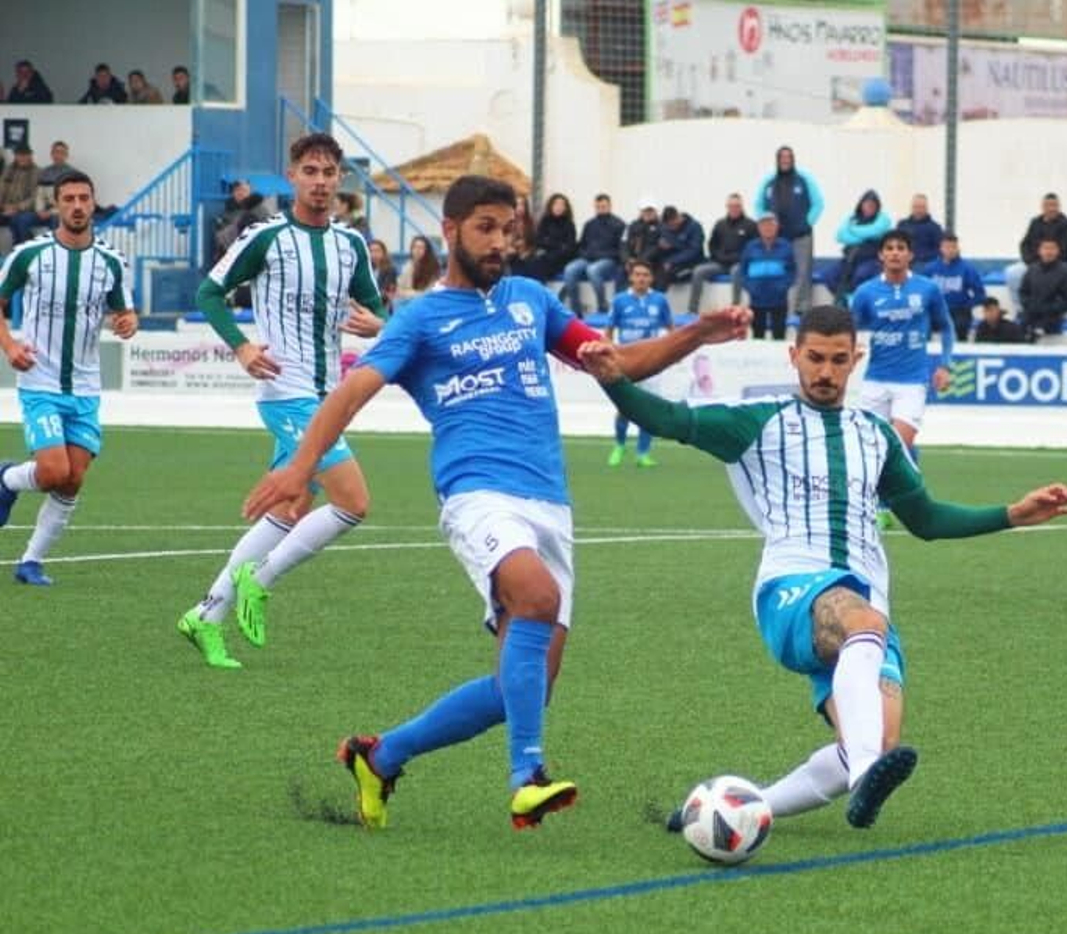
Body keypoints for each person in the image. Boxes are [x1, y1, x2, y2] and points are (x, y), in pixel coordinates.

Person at [240, 174, 750, 830]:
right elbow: (350, 393)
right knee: (535, 597)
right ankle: (526, 777)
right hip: (476, 493)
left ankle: (380, 756)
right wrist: (300, 466)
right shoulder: (419, 320)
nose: (500, 243)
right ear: (450, 230)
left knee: (524, 686)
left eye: (508, 230)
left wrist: (698, 332)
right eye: (485, 228)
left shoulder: (531, 300)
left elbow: (617, 362)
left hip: (550, 503)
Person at [582, 305, 1067, 833]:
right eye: (815, 358)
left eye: (838, 360)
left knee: (874, 740)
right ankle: (868, 772)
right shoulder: (758, 422)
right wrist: (614, 381)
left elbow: (926, 519)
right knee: (865, 660)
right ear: (793, 355)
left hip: (869, 608)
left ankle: (736, 812)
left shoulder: (878, 435)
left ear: (856, 360)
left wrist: (1012, 514)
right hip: (794, 589)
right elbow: (667, 420)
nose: (825, 371)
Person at [176, 132, 387, 670]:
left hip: (327, 396)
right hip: (285, 391)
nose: (320, 181)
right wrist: (242, 346)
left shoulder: (351, 245)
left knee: (290, 510)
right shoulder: (266, 237)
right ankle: (261, 579)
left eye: (328, 172)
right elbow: (208, 293)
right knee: (353, 502)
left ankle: (205, 616)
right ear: (292, 176)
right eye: (309, 171)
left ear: (340, 179)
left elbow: (375, 307)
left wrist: (379, 323)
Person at [0, 170, 138, 585]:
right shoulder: (29, 255)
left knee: (73, 479)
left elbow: (124, 312)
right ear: (57, 205)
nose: (77, 206)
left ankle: (31, 562)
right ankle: (7, 479)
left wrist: (128, 322)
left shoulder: (112, 262)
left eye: (83, 198)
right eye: (69, 199)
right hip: (40, 381)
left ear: (93, 203)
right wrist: (9, 346)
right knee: (53, 471)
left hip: (86, 387)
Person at [849, 229, 954, 471]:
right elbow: (850, 332)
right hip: (873, 380)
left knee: (896, 446)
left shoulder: (927, 289)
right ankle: (909, 476)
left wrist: (945, 365)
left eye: (900, 248)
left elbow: (946, 327)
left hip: (912, 382)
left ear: (910, 255)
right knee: (868, 450)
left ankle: (903, 482)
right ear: (881, 255)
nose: (895, 253)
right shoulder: (865, 292)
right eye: (889, 248)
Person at [607, 260, 674, 468]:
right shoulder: (620, 300)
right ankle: (619, 445)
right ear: (631, 277)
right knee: (624, 408)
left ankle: (642, 453)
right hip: (626, 362)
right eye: (637, 274)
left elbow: (671, 328)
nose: (641, 279)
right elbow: (609, 330)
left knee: (648, 409)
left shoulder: (660, 300)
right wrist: (608, 353)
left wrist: (672, 351)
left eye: (645, 275)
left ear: (651, 278)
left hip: (651, 361)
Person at [753, 146, 824, 315]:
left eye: (788, 157)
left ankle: (801, 309)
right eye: (782, 157)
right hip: (778, 237)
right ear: (777, 160)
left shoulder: (804, 179)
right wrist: (767, 225)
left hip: (801, 235)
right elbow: (758, 205)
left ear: (793, 159)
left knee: (802, 272)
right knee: (780, 271)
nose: (785, 160)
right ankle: (778, 307)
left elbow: (818, 203)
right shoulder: (769, 182)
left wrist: (807, 222)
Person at [1004, 193, 1067, 313]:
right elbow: (1024, 244)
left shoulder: (1066, 224)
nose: (1051, 208)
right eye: (1048, 205)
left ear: (1059, 207)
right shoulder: (1035, 222)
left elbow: (1066, 250)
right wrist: (1031, 262)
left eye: (1054, 205)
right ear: (1042, 207)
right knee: (1012, 273)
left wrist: (1044, 261)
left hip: (1057, 264)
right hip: (1033, 262)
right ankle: (1020, 309)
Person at [688, 193, 757, 313]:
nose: (734, 209)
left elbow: (752, 248)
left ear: (742, 207)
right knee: (698, 271)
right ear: (727, 207)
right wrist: (718, 256)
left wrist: (738, 258)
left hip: (739, 264)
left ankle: (735, 307)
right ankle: (692, 310)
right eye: (731, 206)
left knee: (736, 271)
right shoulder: (720, 224)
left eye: (737, 206)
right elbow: (712, 245)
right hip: (720, 264)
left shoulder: (751, 225)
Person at [560, 193, 625, 316]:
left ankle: (602, 306)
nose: (601, 209)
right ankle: (576, 311)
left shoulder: (619, 224)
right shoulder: (589, 224)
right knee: (570, 269)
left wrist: (599, 255)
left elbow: (620, 249)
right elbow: (582, 244)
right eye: (598, 206)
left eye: (604, 206)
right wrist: (585, 254)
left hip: (609, 260)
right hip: (588, 258)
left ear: (610, 206)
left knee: (593, 270)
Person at [825, 189, 890, 301]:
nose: (869, 207)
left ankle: (856, 300)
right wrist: (862, 237)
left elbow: (874, 231)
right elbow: (840, 236)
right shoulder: (852, 219)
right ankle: (844, 299)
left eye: (872, 205)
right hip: (849, 258)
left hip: (871, 260)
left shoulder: (882, 219)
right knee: (829, 276)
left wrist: (852, 231)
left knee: (861, 275)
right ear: (861, 205)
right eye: (867, 204)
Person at [740, 212, 795, 340]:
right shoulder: (750, 247)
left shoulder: (786, 246)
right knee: (757, 336)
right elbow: (743, 271)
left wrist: (783, 287)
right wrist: (750, 288)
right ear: (759, 228)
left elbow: (792, 271)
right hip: (756, 300)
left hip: (779, 300)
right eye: (764, 225)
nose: (767, 228)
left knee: (779, 337)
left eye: (771, 225)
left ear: (777, 227)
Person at [923, 233, 985, 341]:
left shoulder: (967, 269)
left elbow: (980, 293)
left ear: (958, 248)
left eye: (953, 247)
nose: (950, 250)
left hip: (958, 311)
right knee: (922, 323)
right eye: (947, 247)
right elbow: (922, 291)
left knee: (961, 325)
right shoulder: (930, 268)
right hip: (936, 310)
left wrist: (967, 305)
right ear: (941, 248)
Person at [8, 142, 71, 246]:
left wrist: (51, 212)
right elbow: (39, 194)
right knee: (20, 219)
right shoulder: (45, 172)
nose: (58, 155)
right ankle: (24, 249)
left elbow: (69, 201)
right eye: (55, 152)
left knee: (56, 220)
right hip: (43, 211)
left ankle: (55, 250)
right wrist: (39, 210)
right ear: (51, 154)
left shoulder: (72, 174)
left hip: (59, 213)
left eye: (61, 152)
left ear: (66, 155)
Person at [1018, 238, 1067, 336]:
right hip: (1032, 311)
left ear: (1057, 251)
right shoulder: (1032, 269)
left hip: (1055, 314)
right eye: (1045, 248)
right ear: (1039, 251)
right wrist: (1029, 305)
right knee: (1019, 329)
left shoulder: (1065, 272)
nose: (1048, 252)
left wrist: (1050, 308)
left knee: (1043, 329)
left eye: (1052, 248)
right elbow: (1023, 292)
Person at [515, 192, 578, 282]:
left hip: (560, 258)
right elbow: (539, 240)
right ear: (551, 206)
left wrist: (550, 243)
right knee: (529, 263)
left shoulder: (569, 224)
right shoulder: (545, 221)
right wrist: (557, 245)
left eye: (562, 205)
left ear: (566, 208)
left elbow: (570, 247)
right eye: (556, 204)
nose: (559, 207)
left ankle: (538, 288)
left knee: (539, 263)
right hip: (544, 256)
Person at [212, 179, 269, 265]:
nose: (240, 193)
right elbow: (220, 237)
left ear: (250, 192)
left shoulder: (259, 210)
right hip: (230, 258)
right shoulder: (227, 211)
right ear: (233, 193)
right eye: (237, 190)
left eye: (244, 190)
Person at [649, 205, 705, 292]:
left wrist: (672, 260)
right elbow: (655, 244)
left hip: (691, 264)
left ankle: (657, 299)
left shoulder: (694, 227)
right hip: (669, 262)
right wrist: (661, 246)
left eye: (672, 225)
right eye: (668, 226)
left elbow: (694, 251)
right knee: (649, 271)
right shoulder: (664, 227)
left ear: (678, 217)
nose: (670, 228)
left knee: (665, 275)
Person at [896, 193, 943, 271]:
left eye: (922, 207)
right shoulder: (902, 225)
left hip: (923, 263)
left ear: (927, 208)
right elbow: (896, 244)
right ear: (911, 208)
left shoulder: (935, 228)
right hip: (903, 261)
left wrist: (921, 256)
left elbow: (940, 250)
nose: (918, 210)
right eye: (916, 207)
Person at [395, 235, 441, 304]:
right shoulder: (408, 266)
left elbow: (430, 292)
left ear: (427, 250)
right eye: (415, 247)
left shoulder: (433, 267)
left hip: (426, 302)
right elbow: (399, 290)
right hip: (408, 301)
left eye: (421, 247)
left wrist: (410, 293)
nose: (417, 250)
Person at [368, 238, 398, 311]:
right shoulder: (366, 268)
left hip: (382, 303)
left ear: (383, 253)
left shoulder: (390, 270)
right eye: (371, 251)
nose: (374, 254)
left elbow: (387, 290)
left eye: (377, 251)